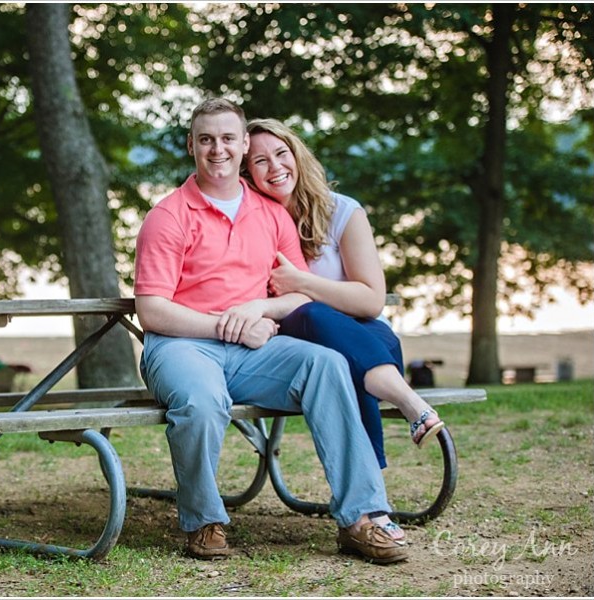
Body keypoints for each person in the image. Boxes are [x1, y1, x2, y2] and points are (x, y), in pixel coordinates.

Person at [134, 98, 408, 564]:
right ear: (191, 146)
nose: (216, 149)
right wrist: (227, 326)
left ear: (243, 145)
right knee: (201, 401)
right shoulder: (169, 216)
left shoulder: (271, 214)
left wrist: (260, 312)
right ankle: (204, 520)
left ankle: (362, 517)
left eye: (226, 139)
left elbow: (298, 295)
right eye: (205, 140)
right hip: (182, 346)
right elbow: (153, 311)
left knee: (327, 365)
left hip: (255, 350)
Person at [243, 117, 447, 538]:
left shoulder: (343, 212)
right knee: (320, 325)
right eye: (259, 161)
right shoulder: (252, 222)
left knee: (348, 349)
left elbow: (371, 300)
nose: (274, 166)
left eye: (281, 153)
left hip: (366, 336)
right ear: (247, 173)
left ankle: (369, 510)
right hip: (301, 340)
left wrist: (303, 283)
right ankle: (408, 415)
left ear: (297, 155)